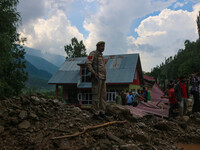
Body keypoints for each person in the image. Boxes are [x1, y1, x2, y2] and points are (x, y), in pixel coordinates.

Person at [86, 41, 108, 120]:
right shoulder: (93, 53)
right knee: (96, 96)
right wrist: (93, 72)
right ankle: (95, 113)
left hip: (103, 78)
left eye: (104, 46)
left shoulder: (102, 56)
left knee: (103, 96)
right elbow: (88, 63)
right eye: (102, 46)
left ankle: (102, 113)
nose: (103, 48)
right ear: (97, 46)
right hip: (97, 78)